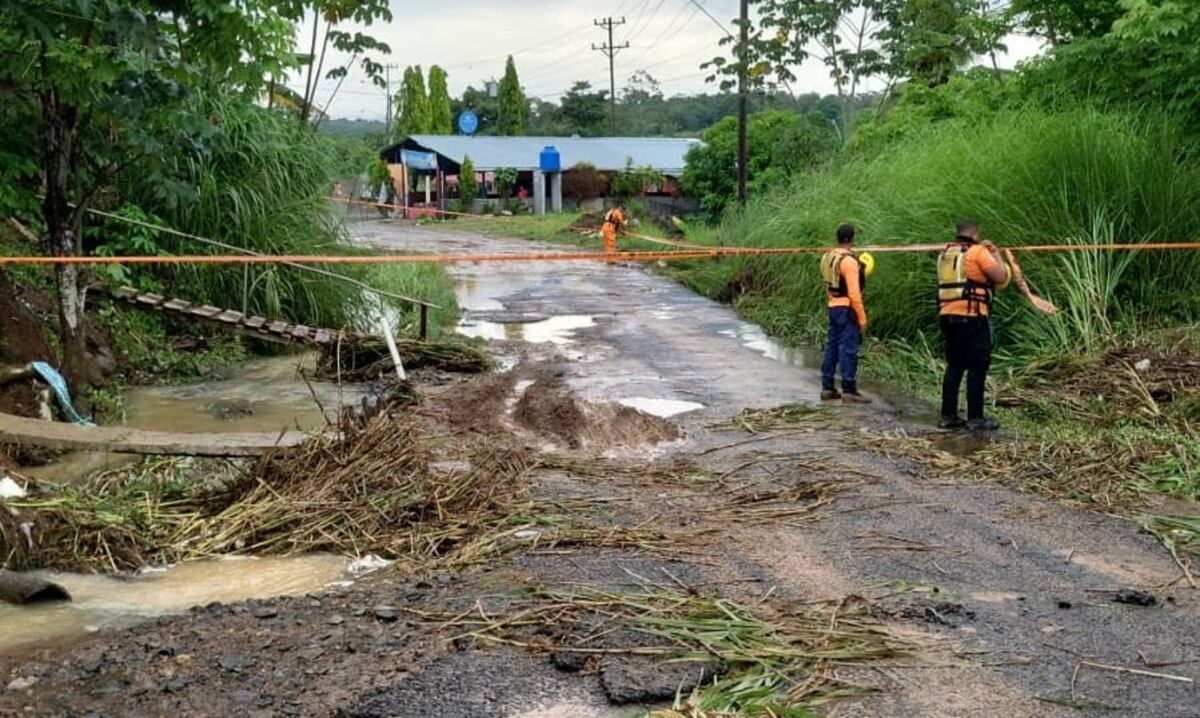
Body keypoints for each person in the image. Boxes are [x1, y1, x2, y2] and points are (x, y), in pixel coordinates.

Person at [937, 219, 1010, 431]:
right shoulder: (978, 252)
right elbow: (1001, 276)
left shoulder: (946, 253)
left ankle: (948, 415)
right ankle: (975, 418)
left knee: (955, 365)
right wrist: (995, 253)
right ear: (975, 233)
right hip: (972, 316)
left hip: (947, 316)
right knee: (977, 366)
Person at [819, 224, 870, 403]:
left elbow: (828, 284)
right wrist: (862, 319)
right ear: (851, 239)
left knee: (831, 347)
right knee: (848, 349)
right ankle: (848, 390)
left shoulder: (828, 257)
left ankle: (827, 387)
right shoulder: (849, 261)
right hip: (847, 309)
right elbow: (855, 294)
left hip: (833, 306)